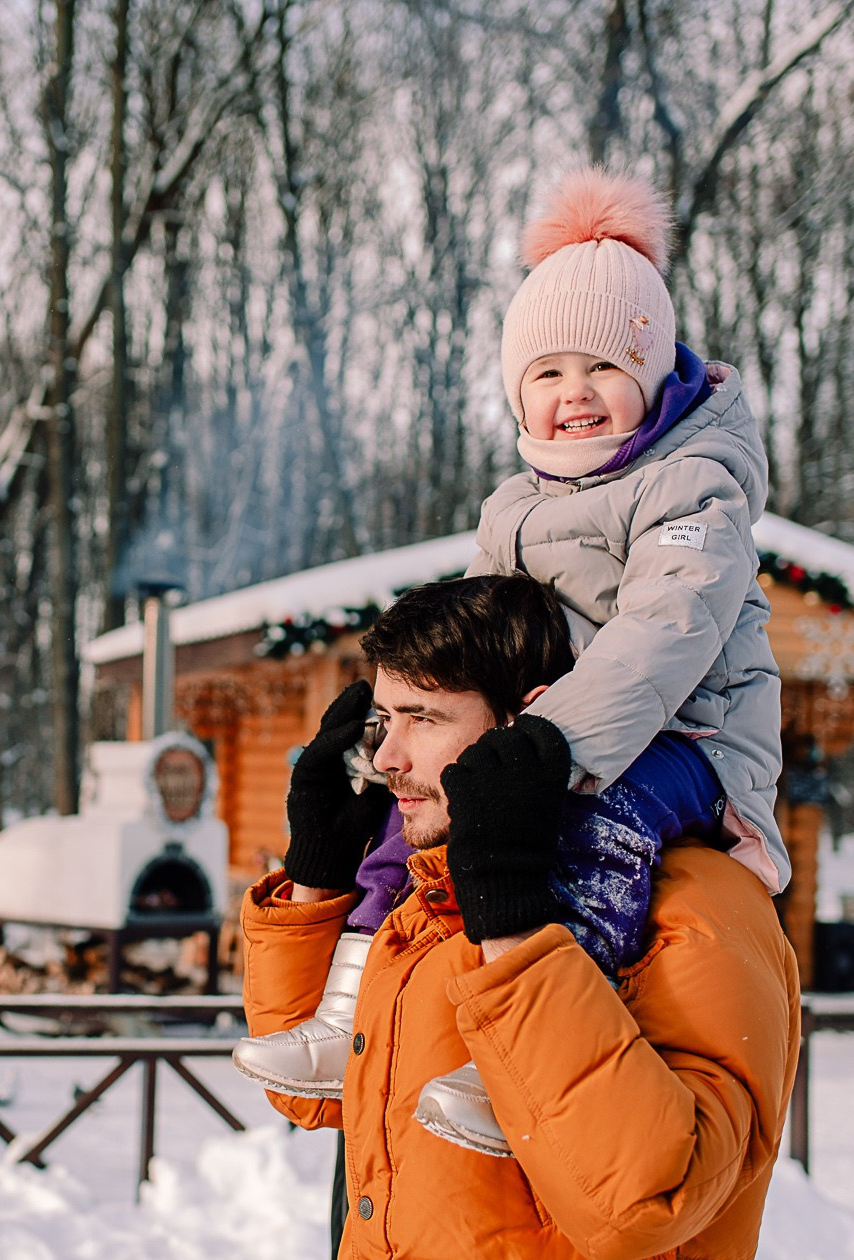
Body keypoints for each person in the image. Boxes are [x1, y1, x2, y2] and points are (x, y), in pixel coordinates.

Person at [233, 169, 785, 1152]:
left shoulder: (691, 490)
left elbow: (662, 634)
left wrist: (543, 748)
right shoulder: (510, 508)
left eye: (601, 368)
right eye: (544, 372)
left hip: (681, 742)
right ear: (513, 391)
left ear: (655, 374)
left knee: (592, 835)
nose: (572, 393)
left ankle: (527, 1057)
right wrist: (397, 719)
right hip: (537, 739)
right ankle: (342, 1014)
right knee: (410, 826)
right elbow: (467, 639)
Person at [238, 577, 800, 1260]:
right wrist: (318, 874)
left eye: (423, 718)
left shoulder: (700, 904)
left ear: (528, 720)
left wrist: (515, 928)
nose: (388, 758)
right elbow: (315, 1091)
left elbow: (638, 1203)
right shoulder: (438, 890)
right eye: (384, 720)